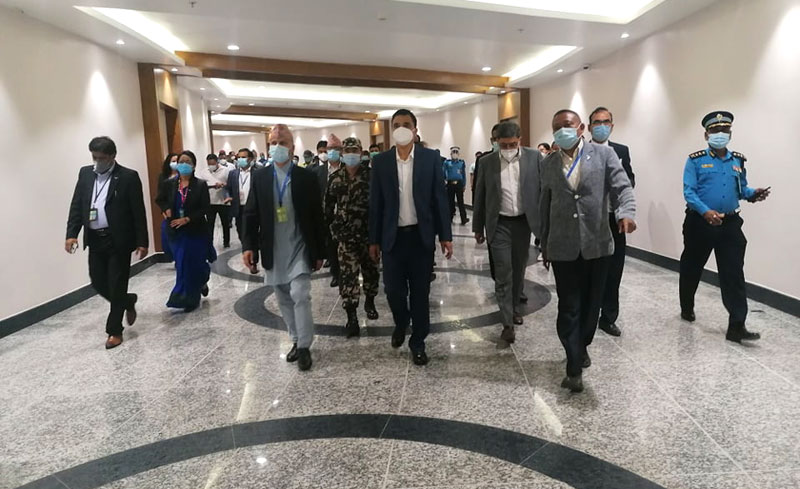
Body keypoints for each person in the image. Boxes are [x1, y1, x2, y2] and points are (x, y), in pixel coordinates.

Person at [539, 109, 636, 393]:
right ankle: (573, 366)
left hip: (597, 244)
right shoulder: (548, 163)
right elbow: (545, 205)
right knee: (569, 306)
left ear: (581, 128)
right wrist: (544, 242)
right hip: (563, 246)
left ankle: (581, 346)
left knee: (592, 307)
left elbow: (623, 187)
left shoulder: (604, 155)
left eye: (567, 125)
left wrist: (626, 213)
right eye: (557, 127)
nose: (562, 130)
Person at [369, 109, 453, 366]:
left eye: (406, 124)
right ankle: (401, 321)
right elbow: (376, 204)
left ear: (415, 130)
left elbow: (439, 199)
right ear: (392, 129)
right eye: (397, 124)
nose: (401, 128)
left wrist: (445, 236)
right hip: (392, 239)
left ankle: (418, 342)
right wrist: (373, 240)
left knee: (420, 293)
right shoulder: (381, 162)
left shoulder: (430, 158)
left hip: (420, 238)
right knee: (393, 291)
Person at [679, 111, 770, 343]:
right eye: (715, 130)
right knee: (692, 267)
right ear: (706, 134)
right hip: (700, 222)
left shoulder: (737, 161)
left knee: (733, 273)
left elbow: (742, 190)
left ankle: (737, 325)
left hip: (729, 224)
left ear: (730, 133)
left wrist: (753, 194)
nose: (720, 134)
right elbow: (689, 192)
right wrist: (705, 212)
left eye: (724, 130)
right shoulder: (695, 160)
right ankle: (687, 307)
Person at [242, 124, 326, 371]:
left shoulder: (306, 177)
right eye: (273, 142)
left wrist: (320, 251)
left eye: (283, 142)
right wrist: (248, 246)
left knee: (300, 293)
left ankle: (305, 346)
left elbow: (317, 216)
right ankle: (296, 339)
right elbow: (251, 214)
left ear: (292, 147)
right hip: (274, 246)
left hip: (299, 245)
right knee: (282, 296)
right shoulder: (260, 177)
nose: (277, 147)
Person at [65, 136, 148, 349]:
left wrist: (142, 241)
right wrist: (71, 234)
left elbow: (138, 211)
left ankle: (114, 331)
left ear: (112, 156)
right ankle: (128, 301)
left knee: (117, 284)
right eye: (94, 157)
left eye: (101, 158)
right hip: (95, 239)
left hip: (118, 240)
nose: (97, 161)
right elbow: (77, 205)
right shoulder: (85, 174)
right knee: (98, 281)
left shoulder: (128, 177)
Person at [473, 121, 543, 344]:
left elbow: (542, 190)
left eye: (513, 144)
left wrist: (543, 225)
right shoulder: (487, 162)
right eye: (504, 145)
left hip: (523, 223)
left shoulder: (534, 158)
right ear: (496, 142)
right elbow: (480, 195)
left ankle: (513, 308)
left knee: (518, 269)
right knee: (503, 273)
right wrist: (477, 227)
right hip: (499, 223)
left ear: (520, 140)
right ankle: (507, 324)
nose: (508, 149)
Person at [324, 137, 380, 337]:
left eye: (354, 150)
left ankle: (370, 301)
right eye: (347, 151)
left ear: (361, 152)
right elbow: (328, 208)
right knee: (348, 276)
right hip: (345, 237)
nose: (351, 154)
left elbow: (379, 206)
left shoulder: (372, 176)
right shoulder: (335, 178)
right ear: (342, 153)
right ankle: (352, 317)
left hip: (368, 235)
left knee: (371, 272)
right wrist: (333, 230)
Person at [588, 107, 636, 338]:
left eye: (606, 122)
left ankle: (608, 317)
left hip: (614, 218)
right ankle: (588, 315)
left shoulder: (621, 151)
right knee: (590, 270)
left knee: (614, 270)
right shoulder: (582, 151)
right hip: (590, 220)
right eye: (597, 122)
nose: (601, 126)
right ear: (589, 127)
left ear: (612, 125)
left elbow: (630, 179)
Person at [156, 150, 214, 312]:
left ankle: (201, 281)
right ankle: (187, 298)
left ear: (193, 166)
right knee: (183, 264)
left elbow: (205, 208)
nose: (183, 164)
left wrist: (187, 219)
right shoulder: (169, 184)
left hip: (196, 231)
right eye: (181, 161)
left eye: (187, 162)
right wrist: (165, 209)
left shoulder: (200, 185)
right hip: (176, 231)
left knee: (196, 263)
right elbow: (159, 199)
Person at [313, 134, 342, 288]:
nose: (331, 152)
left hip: (346, 216)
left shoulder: (348, 168)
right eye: (329, 149)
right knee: (331, 247)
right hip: (327, 216)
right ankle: (336, 274)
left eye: (335, 148)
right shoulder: (318, 172)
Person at [226, 148, 259, 273]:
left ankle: (253, 261)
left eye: (243, 157)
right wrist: (228, 196)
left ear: (250, 159)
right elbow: (228, 188)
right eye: (239, 157)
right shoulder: (233, 174)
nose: (241, 159)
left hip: (253, 208)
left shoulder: (257, 173)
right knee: (242, 233)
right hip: (238, 207)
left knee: (252, 234)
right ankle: (247, 250)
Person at [205, 153, 232, 248]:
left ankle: (226, 242)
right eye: (209, 164)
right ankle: (209, 242)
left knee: (225, 223)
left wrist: (223, 185)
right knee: (210, 224)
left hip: (223, 201)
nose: (211, 166)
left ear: (217, 162)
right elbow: (202, 186)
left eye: (213, 164)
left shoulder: (225, 171)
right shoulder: (204, 172)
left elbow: (231, 184)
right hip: (210, 202)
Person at [158, 153, 179, 262]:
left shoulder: (183, 176)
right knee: (168, 237)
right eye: (173, 161)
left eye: (177, 161)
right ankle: (174, 257)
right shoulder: (163, 177)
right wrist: (164, 211)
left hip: (180, 211)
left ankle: (180, 259)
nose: (175, 163)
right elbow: (160, 197)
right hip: (168, 213)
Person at [444, 146, 469, 225]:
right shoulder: (447, 163)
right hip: (450, 184)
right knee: (450, 202)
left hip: (459, 184)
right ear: (451, 154)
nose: (455, 153)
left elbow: (463, 174)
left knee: (460, 202)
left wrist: (464, 184)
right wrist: (444, 181)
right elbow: (444, 172)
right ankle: (449, 218)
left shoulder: (461, 163)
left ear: (458, 154)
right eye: (453, 152)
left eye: (456, 152)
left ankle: (463, 219)